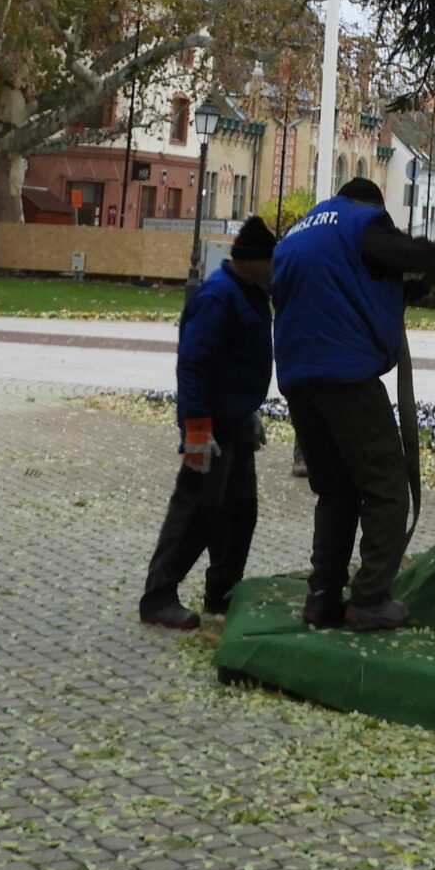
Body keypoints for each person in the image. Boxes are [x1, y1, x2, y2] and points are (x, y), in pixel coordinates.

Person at [270, 177, 435, 632]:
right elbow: (411, 255)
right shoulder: (362, 222)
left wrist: (403, 292)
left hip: (298, 377)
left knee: (335, 490)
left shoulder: (301, 231)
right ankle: (370, 598)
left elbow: (349, 286)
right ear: (373, 205)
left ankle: (322, 597)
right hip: (345, 373)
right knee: (386, 486)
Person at [139, 217, 276, 631]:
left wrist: (248, 411)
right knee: (196, 511)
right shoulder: (219, 297)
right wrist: (196, 432)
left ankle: (223, 592)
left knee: (238, 512)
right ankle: (158, 596)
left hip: (234, 421)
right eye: (272, 263)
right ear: (253, 261)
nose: (276, 271)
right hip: (212, 424)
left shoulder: (248, 292)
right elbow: (195, 365)